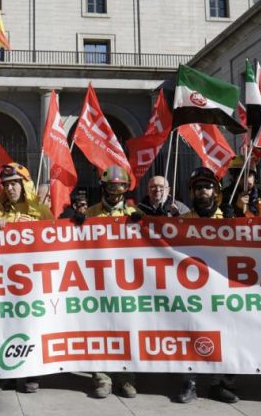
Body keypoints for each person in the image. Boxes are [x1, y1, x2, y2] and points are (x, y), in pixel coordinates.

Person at [0, 163, 53, 394]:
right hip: (5, 283)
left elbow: (56, 242)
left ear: (24, 185)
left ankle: (31, 375)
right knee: (4, 327)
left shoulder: (41, 212)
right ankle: (5, 374)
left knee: (32, 327)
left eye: (14, 183)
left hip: (34, 283)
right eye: (6, 185)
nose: (9, 188)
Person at [79, 165, 142, 399]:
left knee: (127, 330)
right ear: (104, 187)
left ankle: (126, 378)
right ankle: (102, 378)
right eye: (112, 187)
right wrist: (75, 224)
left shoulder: (134, 212)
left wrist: (143, 223)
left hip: (127, 283)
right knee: (100, 330)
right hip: (98, 283)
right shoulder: (91, 213)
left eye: (120, 188)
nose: (115, 193)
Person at [177, 167, 239, 404]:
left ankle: (219, 384)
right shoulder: (182, 221)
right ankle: (189, 383)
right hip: (192, 291)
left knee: (227, 336)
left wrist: (236, 225)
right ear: (192, 193)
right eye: (198, 188)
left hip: (223, 290)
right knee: (190, 334)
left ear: (216, 192)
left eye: (208, 186)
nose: (203, 191)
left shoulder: (227, 218)